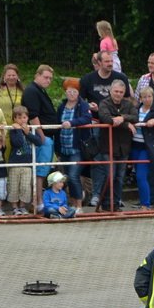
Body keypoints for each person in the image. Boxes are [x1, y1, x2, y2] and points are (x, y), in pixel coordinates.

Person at [94, 79, 137, 211]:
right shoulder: (104, 103)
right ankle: (106, 203)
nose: (118, 94)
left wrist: (122, 118)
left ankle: (116, 203)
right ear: (110, 91)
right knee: (110, 176)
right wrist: (126, 123)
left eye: (121, 92)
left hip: (123, 146)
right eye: (116, 91)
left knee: (120, 177)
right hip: (108, 147)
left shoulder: (128, 104)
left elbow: (136, 117)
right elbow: (106, 118)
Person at [55, 77, 93, 213]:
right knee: (67, 177)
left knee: (73, 175)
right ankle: (72, 202)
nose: (71, 93)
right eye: (69, 91)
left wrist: (72, 123)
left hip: (77, 148)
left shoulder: (82, 105)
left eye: (74, 91)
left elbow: (87, 118)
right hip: (64, 147)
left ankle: (79, 206)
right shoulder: (61, 106)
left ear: (78, 92)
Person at [22, 65, 57, 204]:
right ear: (37, 75)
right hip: (42, 137)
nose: (48, 80)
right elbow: (33, 114)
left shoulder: (40, 90)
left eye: (50, 79)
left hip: (47, 136)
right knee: (40, 170)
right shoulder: (32, 91)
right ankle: (38, 201)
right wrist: (41, 135)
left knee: (43, 169)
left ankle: (38, 200)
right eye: (45, 77)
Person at [7, 105, 42, 215]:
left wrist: (28, 133)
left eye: (24, 117)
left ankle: (22, 206)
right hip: (15, 162)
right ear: (14, 119)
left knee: (25, 186)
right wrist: (18, 131)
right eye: (19, 117)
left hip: (28, 163)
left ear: (27, 118)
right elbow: (17, 143)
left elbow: (39, 142)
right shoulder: (13, 130)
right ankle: (14, 207)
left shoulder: (31, 129)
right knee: (14, 186)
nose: (22, 120)